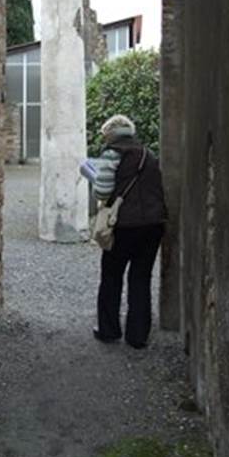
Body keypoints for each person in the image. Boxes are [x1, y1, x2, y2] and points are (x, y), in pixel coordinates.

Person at [83, 114, 167, 349]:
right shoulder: (147, 154)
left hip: (123, 226)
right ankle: (137, 336)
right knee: (140, 278)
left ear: (110, 133)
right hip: (153, 225)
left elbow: (102, 191)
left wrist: (95, 181)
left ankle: (109, 330)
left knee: (111, 276)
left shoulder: (113, 154)